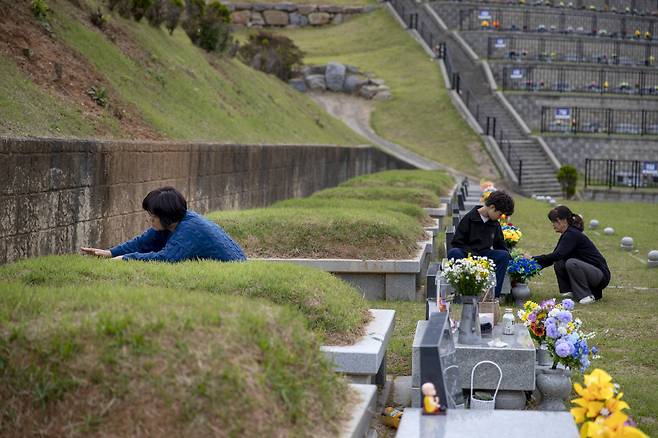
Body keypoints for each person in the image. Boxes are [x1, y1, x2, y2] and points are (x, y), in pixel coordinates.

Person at [81, 186, 246, 263]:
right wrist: (110, 252)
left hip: (236, 270)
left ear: (165, 216)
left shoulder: (188, 230)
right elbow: (143, 242)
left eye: (152, 216)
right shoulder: (177, 220)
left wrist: (125, 258)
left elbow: (166, 258)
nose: (149, 220)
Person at [532, 206, 610, 305]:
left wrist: (532, 258)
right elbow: (553, 259)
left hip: (600, 276)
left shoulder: (572, 234)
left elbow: (556, 255)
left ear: (563, 221)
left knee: (571, 263)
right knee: (560, 262)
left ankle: (587, 295)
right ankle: (570, 292)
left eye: (555, 221)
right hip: (591, 272)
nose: (553, 225)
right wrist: (531, 264)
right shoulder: (567, 234)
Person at [447, 191, 515, 298]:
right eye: (500, 214)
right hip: (467, 255)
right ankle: (461, 291)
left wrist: (512, 261)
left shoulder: (495, 224)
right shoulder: (469, 218)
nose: (500, 217)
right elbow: (457, 242)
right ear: (492, 207)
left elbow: (500, 245)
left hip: (484, 255)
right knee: (454, 252)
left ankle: (493, 296)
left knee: (503, 255)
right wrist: (471, 255)